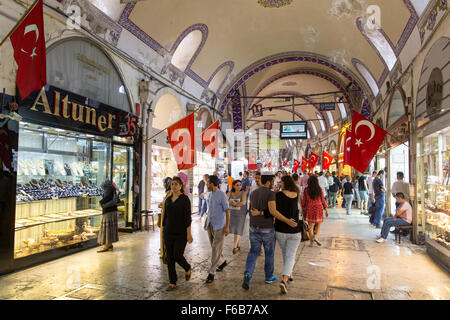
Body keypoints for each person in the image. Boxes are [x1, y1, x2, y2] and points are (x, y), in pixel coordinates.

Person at [243, 175, 298, 290]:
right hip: (267, 228)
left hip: (253, 227)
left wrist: (258, 213)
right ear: (268, 182)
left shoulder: (253, 193)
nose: (274, 183)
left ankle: (247, 274)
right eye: (272, 181)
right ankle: (268, 276)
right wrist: (287, 220)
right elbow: (273, 211)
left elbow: (250, 209)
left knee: (253, 252)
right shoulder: (271, 194)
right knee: (269, 253)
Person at [163, 177, 193, 291]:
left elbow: (187, 218)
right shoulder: (168, 199)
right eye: (172, 184)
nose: (174, 186)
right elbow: (165, 216)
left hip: (180, 233)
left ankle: (187, 267)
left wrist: (188, 234)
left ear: (181, 185)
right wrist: (163, 228)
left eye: (176, 184)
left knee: (177, 255)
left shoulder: (185, 199)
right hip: (168, 232)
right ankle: (172, 282)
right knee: (170, 258)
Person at [273, 176, 302, 295]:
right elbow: (300, 210)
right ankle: (285, 280)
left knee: (287, 254)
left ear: (284, 183)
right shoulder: (296, 194)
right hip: (295, 229)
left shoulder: (277, 195)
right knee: (290, 255)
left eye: (281, 182)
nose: (280, 183)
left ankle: (289, 275)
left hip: (280, 230)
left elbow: (274, 211)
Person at [204, 175, 231, 284]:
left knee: (215, 249)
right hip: (210, 225)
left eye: (207, 183)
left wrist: (227, 227)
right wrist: (206, 220)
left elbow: (228, 211)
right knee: (214, 247)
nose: (206, 185)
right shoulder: (209, 194)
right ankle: (223, 262)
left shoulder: (222, 195)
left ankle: (211, 272)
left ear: (212, 183)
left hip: (220, 226)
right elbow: (209, 209)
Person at [301, 175, 328, 247]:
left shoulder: (306, 190)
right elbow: (323, 200)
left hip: (310, 208)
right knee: (318, 224)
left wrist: (302, 208)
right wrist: (326, 209)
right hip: (319, 207)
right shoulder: (320, 189)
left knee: (311, 226)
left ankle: (311, 242)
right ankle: (316, 237)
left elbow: (304, 201)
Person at [97, 180, 119, 252]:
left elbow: (107, 197)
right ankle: (109, 244)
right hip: (113, 211)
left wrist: (100, 202)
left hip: (108, 211)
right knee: (110, 228)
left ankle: (105, 245)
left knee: (106, 228)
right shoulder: (112, 188)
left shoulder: (108, 188)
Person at [228, 180, 249, 254]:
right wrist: (229, 202)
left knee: (238, 230)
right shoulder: (230, 193)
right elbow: (225, 201)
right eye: (237, 185)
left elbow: (243, 202)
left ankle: (235, 247)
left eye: (240, 185)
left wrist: (234, 204)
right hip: (232, 214)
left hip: (240, 214)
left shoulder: (243, 193)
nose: (239, 186)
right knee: (235, 230)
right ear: (233, 186)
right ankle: (238, 244)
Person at [158, 177, 173, 260]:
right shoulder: (168, 193)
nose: (164, 186)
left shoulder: (171, 193)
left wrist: (162, 204)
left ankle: (166, 253)